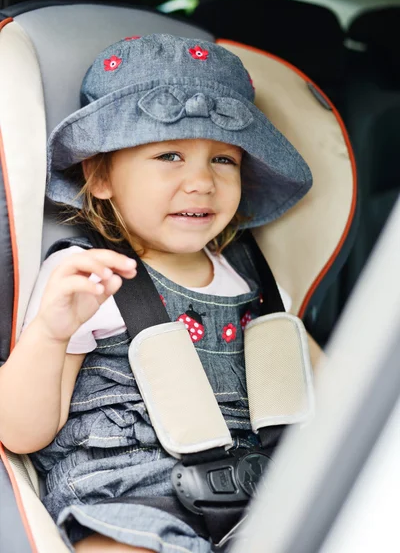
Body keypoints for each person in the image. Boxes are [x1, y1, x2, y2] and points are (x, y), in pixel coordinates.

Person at [0, 34, 319, 553]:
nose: (201, 182)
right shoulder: (87, 279)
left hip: (258, 496)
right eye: (169, 154)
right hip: (127, 495)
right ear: (99, 176)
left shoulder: (258, 282)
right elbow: (21, 432)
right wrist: (50, 333)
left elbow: (326, 389)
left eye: (224, 160)